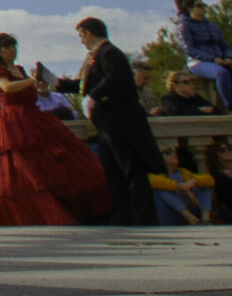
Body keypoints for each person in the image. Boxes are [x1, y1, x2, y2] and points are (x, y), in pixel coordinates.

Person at [0, 33, 108, 224]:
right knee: (24, 168)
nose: (12, 50)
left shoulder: (19, 69)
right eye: (7, 47)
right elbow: (6, 87)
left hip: (33, 117)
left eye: (14, 46)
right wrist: (31, 81)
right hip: (13, 123)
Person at [63, 18, 162, 226]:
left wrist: (94, 97)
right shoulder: (96, 57)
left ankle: (145, 219)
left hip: (121, 123)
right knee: (113, 173)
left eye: (81, 36)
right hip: (106, 127)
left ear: (89, 33)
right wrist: (56, 83)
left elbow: (115, 78)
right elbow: (83, 85)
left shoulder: (110, 53)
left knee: (132, 170)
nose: (81, 41)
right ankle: (120, 219)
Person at [177, 0, 232, 111]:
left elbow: (224, 45)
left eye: (204, 5)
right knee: (221, 73)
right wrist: (213, 59)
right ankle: (230, 106)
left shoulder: (213, 26)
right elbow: (189, 49)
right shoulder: (185, 26)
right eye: (199, 6)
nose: (203, 8)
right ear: (190, 8)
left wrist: (229, 57)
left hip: (221, 59)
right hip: (198, 62)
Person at [150, 140, 216, 227]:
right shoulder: (155, 174)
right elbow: (154, 182)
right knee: (163, 191)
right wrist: (183, 188)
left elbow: (210, 180)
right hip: (170, 215)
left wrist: (193, 182)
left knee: (203, 186)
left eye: (174, 152)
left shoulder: (183, 172)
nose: (173, 154)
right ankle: (192, 219)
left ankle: (205, 219)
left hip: (189, 207)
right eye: (168, 152)